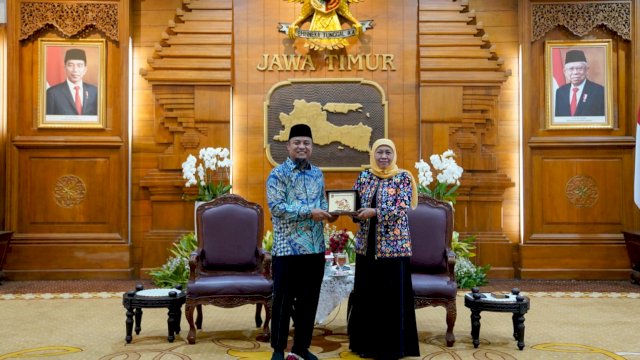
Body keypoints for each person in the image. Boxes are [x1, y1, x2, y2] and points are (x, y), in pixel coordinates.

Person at [266, 124, 336, 360]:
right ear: (288, 146)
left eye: (306, 142)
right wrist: (310, 212)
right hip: (287, 248)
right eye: (297, 142)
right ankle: (277, 349)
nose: (302, 146)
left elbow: (322, 203)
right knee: (283, 302)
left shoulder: (318, 173)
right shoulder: (278, 174)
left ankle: (301, 347)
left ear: (312, 147)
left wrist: (331, 212)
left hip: (314, 247)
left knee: (308, 301)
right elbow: (277, 208)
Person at [348, 138, 420, 360]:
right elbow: (353, 202)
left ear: (394, 154)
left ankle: (392, 347)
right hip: (366, 247)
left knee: (390, 299)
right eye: (379, 152)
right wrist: (351, 212)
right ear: (373, 154)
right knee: (367, 296)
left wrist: (376, 212)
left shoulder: (403, 178)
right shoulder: (364, 176)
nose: (384, 157)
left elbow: (402, 208)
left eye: (388, 152)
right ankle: (365, 345)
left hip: (393, 249)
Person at [46, 48, 98, 116]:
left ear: (85, 69)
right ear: (65, 67)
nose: (75, 70)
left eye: (79, 65)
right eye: (70, 65)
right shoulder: (52, 93)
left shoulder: (94, 91)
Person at [555, 49, 605, 117]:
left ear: (586, 70)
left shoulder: (599, 91)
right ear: (565, 72)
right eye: (571, 69)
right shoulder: (560, 92)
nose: (575, 72)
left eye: (579, 68)